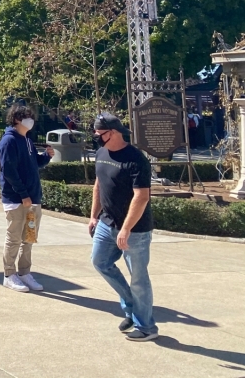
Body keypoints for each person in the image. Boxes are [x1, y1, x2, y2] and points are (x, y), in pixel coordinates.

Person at [89, 113, 158, 341]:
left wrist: (126, 229)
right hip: (106, 224)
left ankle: (146, 327)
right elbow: (99, 185)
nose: (96, 137)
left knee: (139, 279)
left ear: (114, 132)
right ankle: (130, 305)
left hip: (135, 231)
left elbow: (142, 197)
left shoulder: (136, 159)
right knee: (100, 262)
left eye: (100, 133)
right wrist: (93, 217)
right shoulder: (101, 153)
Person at [0, 103, 54, 293]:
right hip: (17, 199)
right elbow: (9, 172)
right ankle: (9, 274)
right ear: (16, 119)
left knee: (29, 237)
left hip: (33, 198)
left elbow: (34, 163)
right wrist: (23, 194)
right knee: (14, 238)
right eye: (27, 117)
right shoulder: (9, 141)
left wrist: (46, 157)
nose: (31, 120)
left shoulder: (27, 139)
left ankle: (24, 272)